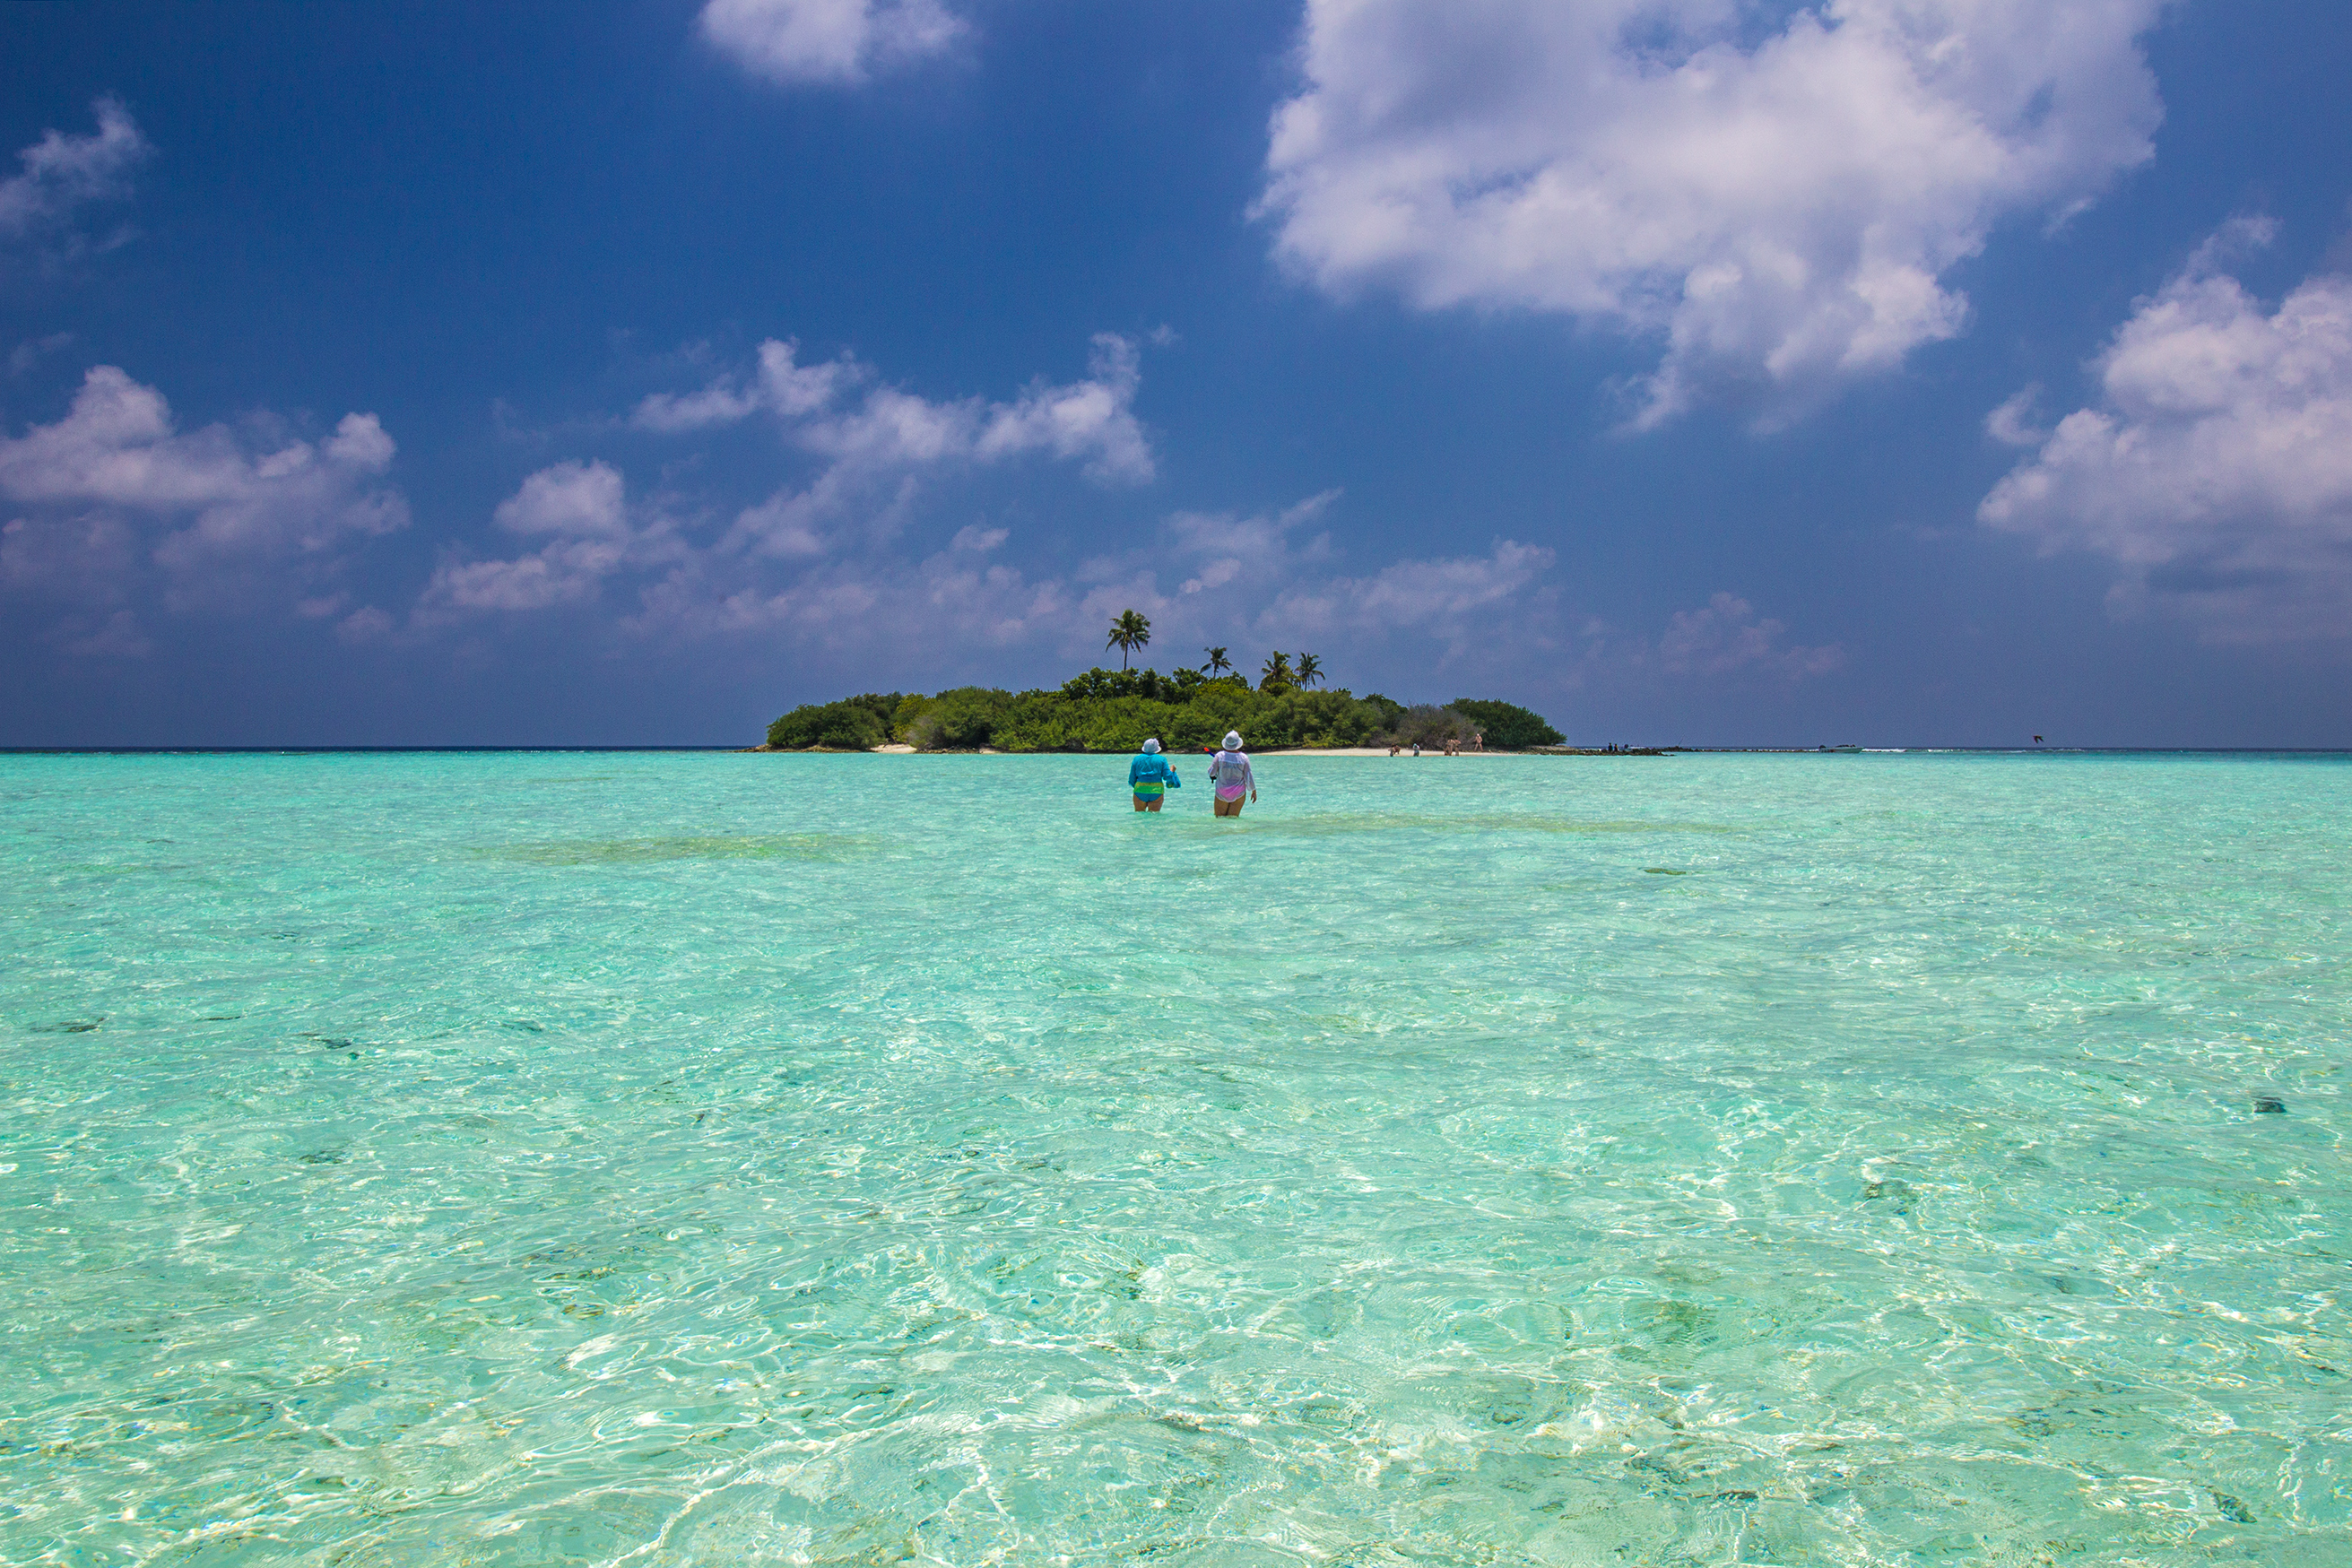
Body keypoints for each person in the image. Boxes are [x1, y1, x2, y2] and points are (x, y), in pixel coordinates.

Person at [1210, 731, 1256, 818]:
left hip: (1222, 791)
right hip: (1239, 791)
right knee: (1233, 819)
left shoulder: (1219, 756)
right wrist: (1253, 790)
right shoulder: (1244, 758)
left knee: (1220, 819)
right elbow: (1248, 776)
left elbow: (1211, 772)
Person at [1128, 738, 1181, 812]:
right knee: (1154, 817)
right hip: (1156, 791)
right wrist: (1172, 771)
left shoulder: (1137, 759)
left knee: (1139, 816)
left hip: (1140, 790)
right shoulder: (1162, 759)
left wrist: (1138, 787)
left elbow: (1132, 778)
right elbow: (1167, 776)